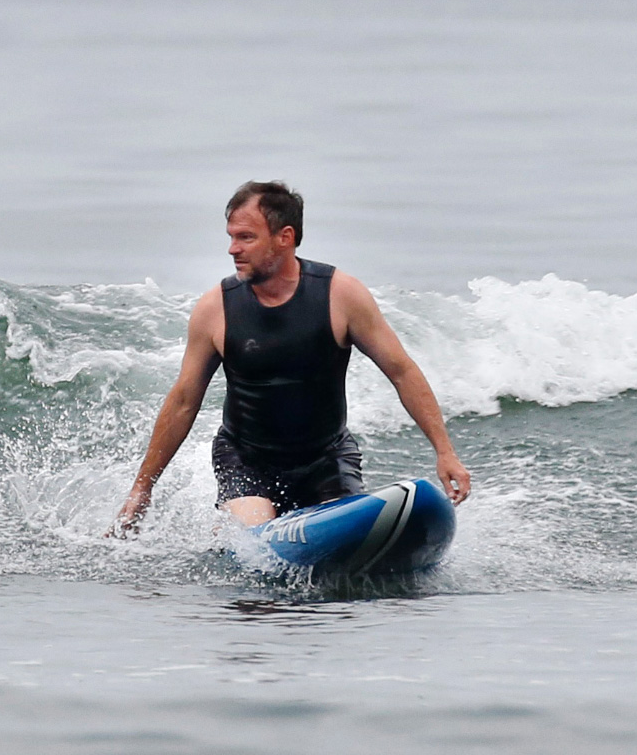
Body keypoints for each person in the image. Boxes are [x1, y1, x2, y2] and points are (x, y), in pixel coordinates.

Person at [113, 181, 471, 534]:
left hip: (326, 458)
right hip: (245, 459)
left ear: (284, 237)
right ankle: (234, 529)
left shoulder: (340, 295)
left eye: (246, 237)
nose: (232, 249)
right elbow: (183, 401)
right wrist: (143, 488)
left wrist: (445, 452)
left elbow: (401, 371)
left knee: (339, 539)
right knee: (256, 533)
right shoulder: (216, 309)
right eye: (231, 236)